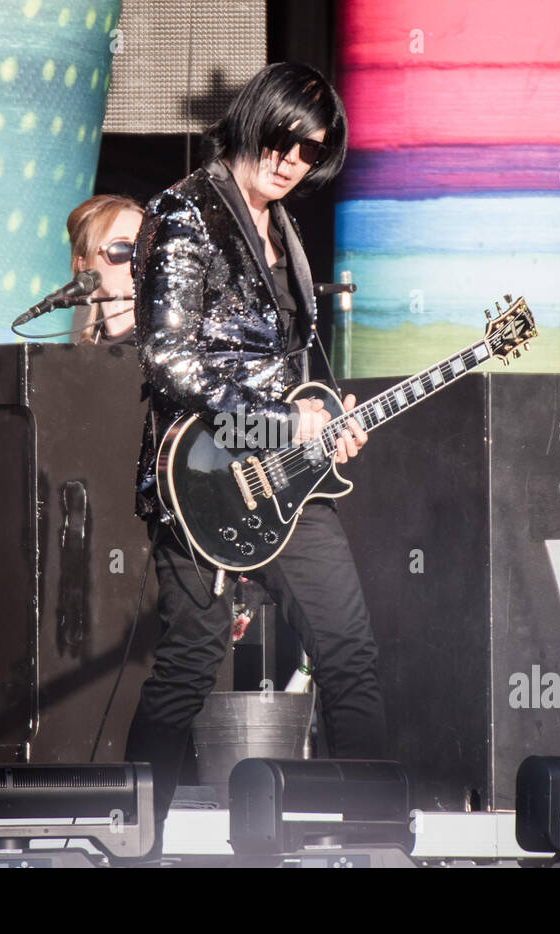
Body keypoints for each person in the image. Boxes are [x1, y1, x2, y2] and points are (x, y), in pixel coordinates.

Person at [125, 62, 387, 858]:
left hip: (292, 479)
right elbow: (168, 357)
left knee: (349, 649)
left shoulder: (289, 233)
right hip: (203, 470)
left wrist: (335, 418)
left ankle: (376, 836)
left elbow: (299, 355)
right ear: (255, 119)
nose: (292, 162)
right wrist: (280, 421)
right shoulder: (185, 212)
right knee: (190, 660)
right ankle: (136, 842)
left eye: (310, 154)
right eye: (285, 141)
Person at [65, 194, 144, 345]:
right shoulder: (84, 356)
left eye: (144, 247)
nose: (136, 258)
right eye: (122, 248)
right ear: (85, 265)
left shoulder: (173, 342)